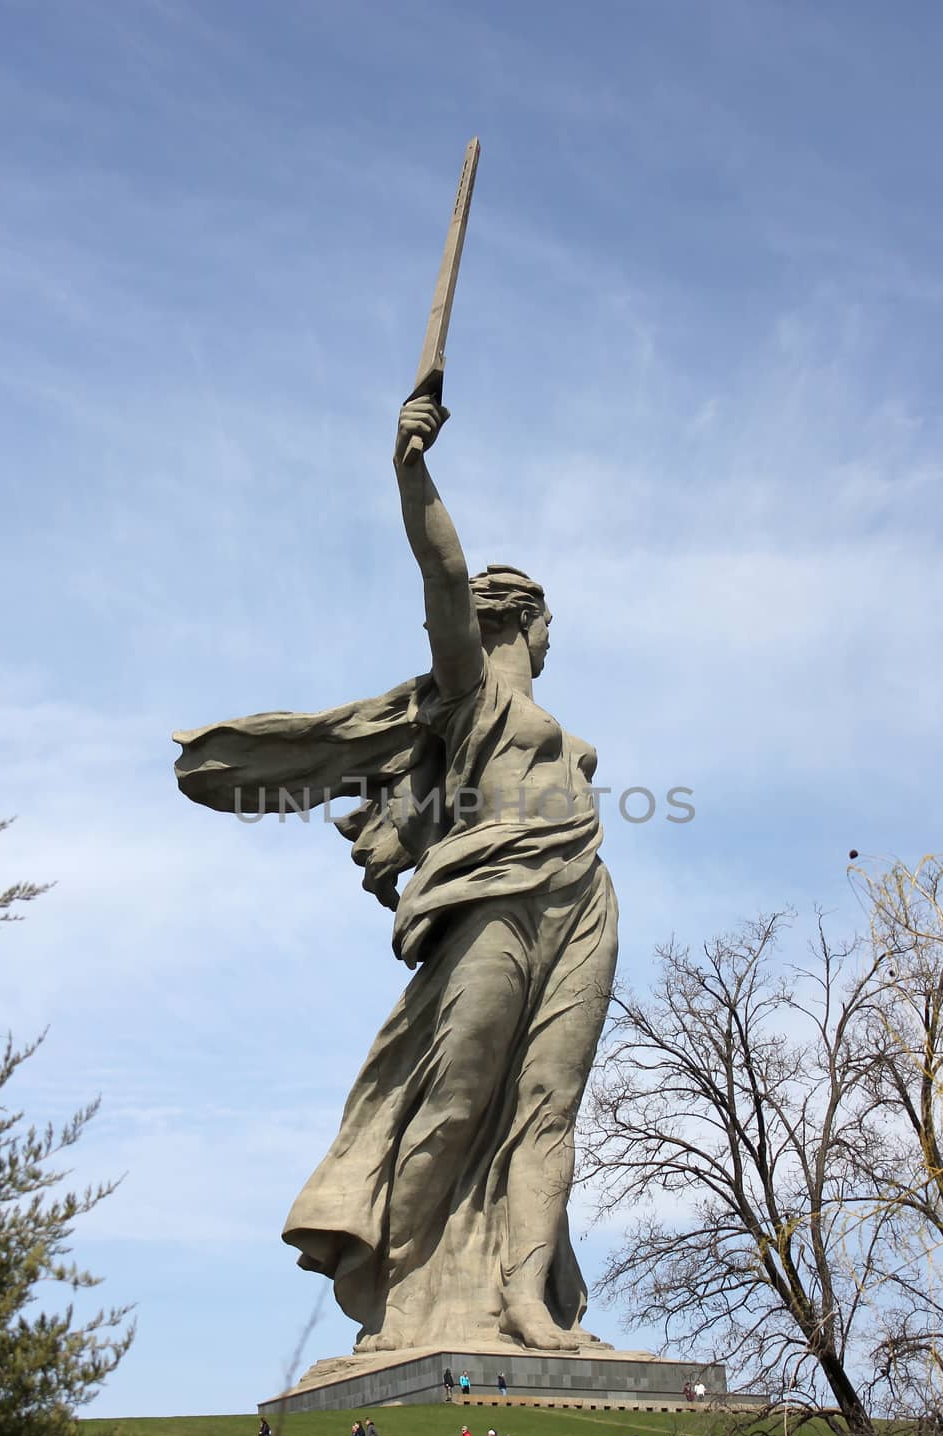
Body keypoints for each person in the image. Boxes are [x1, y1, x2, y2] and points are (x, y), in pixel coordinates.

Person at [180, 396, 619, 1355]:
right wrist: (411, 469)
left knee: (550, 1103)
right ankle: (401, 1298)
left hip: (581, 894)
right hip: (491, 901)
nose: (552, 642)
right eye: (548, 625)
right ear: (526, 621)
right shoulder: (468, 693)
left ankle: (525, 1304)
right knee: (456, 1095)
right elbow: (443, 572)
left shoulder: (560, 735)